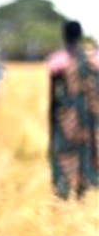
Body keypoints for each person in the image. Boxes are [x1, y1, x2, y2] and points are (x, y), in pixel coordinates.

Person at [48, 20, 99, 200]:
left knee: (64, 156)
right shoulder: (94, 60)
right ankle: (82, 194)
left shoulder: (58, 62)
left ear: (64, 36)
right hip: (89, 120)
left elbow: (53, 98)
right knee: (87, 154)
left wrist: (52, 123)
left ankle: (63, 194)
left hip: (66, 120)